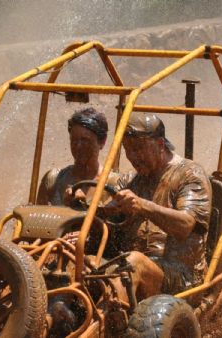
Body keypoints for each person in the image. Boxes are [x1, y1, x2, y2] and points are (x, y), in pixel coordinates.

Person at [110, 113, 212, 298]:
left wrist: (142, 205)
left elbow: (185, 225)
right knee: (85, 262)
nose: (133, 157)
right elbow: (104, 210)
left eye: (139, 148)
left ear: (160, 145)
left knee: (134, 263)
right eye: (128, 149)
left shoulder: (189, 175)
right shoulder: (129, 181)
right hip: (130, 267)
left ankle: (107, 320)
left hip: (182, 277)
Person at [36, 107, 119, 206]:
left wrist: (83, 207)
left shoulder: (115, 184)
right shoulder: (53, 181)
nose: (78, 146)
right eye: (74, 140)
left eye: (85, 140)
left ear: (102, 142)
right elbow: (37, 218)